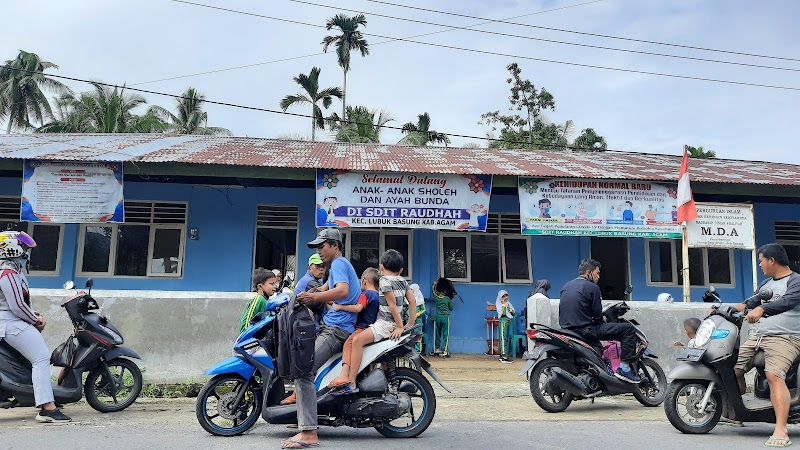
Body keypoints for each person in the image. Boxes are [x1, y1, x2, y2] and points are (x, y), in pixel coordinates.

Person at [281, 228, 360, 449]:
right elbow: (326, 287)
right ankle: (302, 417)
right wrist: (300, 296)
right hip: (331, 326)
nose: (319, 251)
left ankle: (308, 433)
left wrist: (314, 296)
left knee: (303, 370)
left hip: (336, 330)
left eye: (322, 246)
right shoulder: (335, 267)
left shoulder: (339, 264)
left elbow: (342, 291)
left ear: (335, 245)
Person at [731, 243, 800, 447]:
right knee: (731, 370)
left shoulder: (796, 281)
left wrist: (762, 309)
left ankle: (781, 429)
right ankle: (738, 413)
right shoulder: (765, 285)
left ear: (772, 260)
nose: (760, 264)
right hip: (758, 336)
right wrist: (719, 308)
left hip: (787, 338)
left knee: (774, 375)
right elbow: (748, 304)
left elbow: (787, 302)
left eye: (761, 260)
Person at [0, 231, 71, 423]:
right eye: (25, 249)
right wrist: (35, 320)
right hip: (9, 324)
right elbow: (17, 306)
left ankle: (40, 397)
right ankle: (47, 408)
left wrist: (33, 314)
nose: (27, 253)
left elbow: (21, 303)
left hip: (12, 321)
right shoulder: (8, 273)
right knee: (41, 358)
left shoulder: (13, 271)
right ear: (13, 249)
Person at [338, 250, 416, 392]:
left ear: (381, 266)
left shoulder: (384, 280)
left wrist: (399, 326)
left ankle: (351, 382)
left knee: (356, 341)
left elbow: (391, 303)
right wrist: (409, 324)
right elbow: (412, 301)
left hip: (385, 324)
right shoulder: (403, 281)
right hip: (392, 323)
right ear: (401, 269)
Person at [559, 258, 641, 383]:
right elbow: (597, 315)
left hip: (567, 330)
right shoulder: (593, 287)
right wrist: (602, 322)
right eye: (597, 273)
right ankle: (624, 369)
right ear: (589, 272)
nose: (599, 276)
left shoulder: (567, 286)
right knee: (628, 329)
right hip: (585, 330)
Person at [327, 268, 380, 389]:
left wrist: (340, 306)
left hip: (361, 329)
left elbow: (357, 308)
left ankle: (345, 374)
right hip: (371, 329)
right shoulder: (377, 295)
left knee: (348, 344)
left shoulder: (365, 294)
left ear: (364, 281)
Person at [432, 277, 454, 357]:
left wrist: (435, 282)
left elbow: (433, 290)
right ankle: (445, 350)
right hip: (445, 317)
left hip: (438, 317)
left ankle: (437, 349)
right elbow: (451, 308)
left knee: (438, 333)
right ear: (445, 291)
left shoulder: (437, 298)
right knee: (446, 334)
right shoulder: (447, 299)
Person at [496, 290, 515, 363]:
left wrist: (509, 309)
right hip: (503, 322)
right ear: (500, 297)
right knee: (503, 338)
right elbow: (503, 313)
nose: (505, 297)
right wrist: (503, 304)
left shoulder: (509, 304)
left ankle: (503, 355)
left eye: (506, 295)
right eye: (503, 296)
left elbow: (513, 313)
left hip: (508, 321)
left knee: (506, 338)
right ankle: (504, 356)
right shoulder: (499, 304)